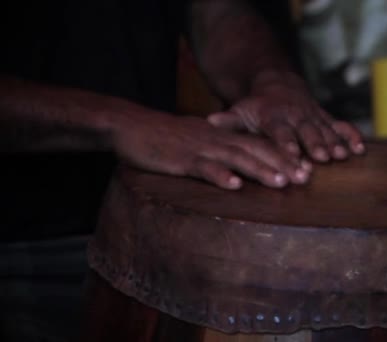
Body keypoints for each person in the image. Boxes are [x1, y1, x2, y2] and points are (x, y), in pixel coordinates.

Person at [0, 0, 364, 340]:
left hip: (150, 233)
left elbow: (217, 10)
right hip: (23, 245)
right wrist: (119, 122)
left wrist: (270, 79)